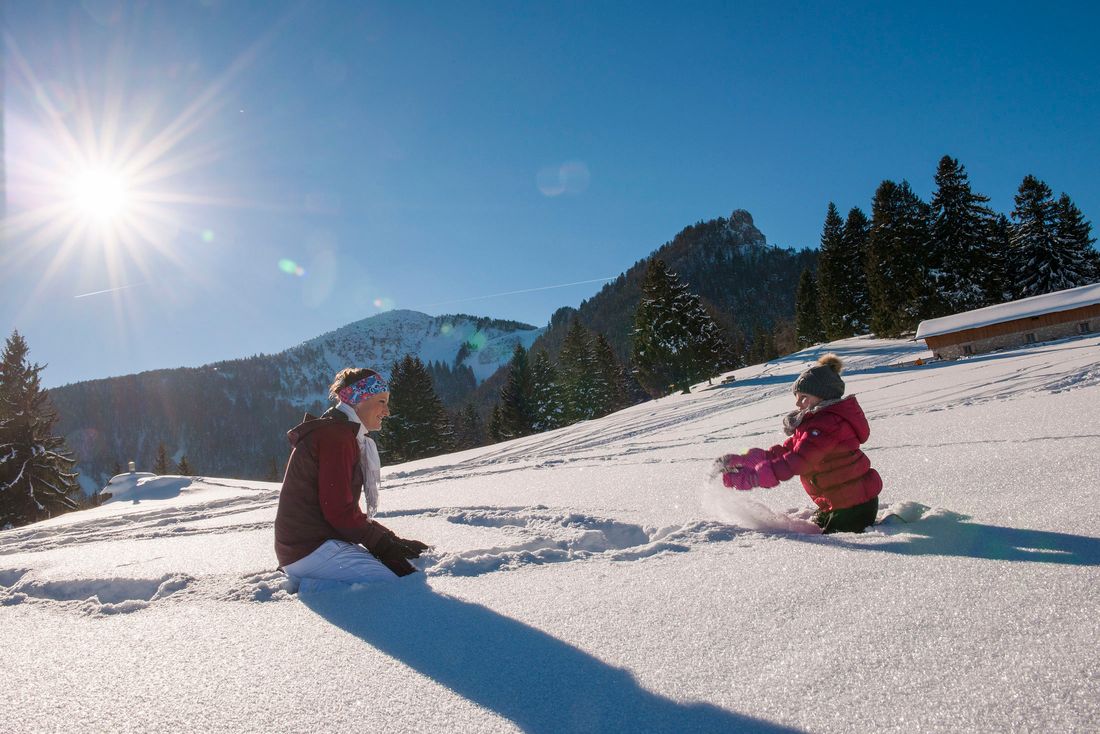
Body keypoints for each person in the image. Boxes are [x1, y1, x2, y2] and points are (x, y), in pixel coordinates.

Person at [275, 367, 429, 589]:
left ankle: (314, 582)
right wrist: (383, 544)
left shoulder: (338, 432)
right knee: (396, 586)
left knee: (401, 571)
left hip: (309, 546)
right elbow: (339, 511)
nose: (387, 411)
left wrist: (389, 539)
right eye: (382, 402)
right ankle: (313, 586)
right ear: (358, 401)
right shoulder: (336, 437)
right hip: (309, 550)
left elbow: (342, 510)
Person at [716, 354, 882, 533]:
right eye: (796, 397)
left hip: (853, 505)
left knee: (828, 538)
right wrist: (748, 459)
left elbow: (797, 461)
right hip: (839, 500)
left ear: (823, 396)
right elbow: (787, 450)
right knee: (817, 526)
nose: (797, 403)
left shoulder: (827, 424)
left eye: (803, 397)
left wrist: (753, 478)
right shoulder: (814, 423)